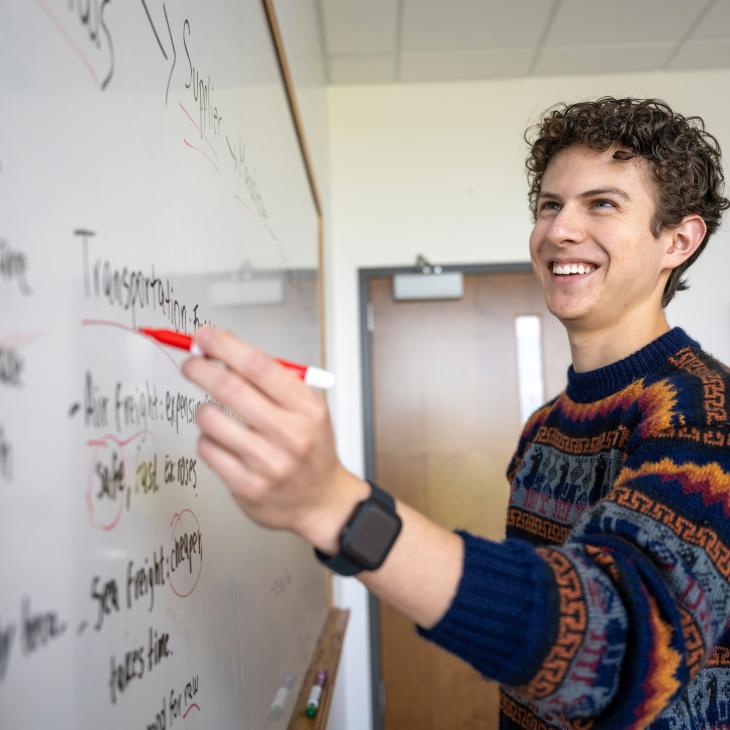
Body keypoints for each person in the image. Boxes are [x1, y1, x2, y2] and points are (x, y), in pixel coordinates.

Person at [182, 97, 730, 728]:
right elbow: (540, 680)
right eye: (549, 205)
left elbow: (608, 655)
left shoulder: (704, 415)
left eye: (601, 204)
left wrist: (337, 508)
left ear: (679, 241)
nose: (559, 230)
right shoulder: (546, 427)